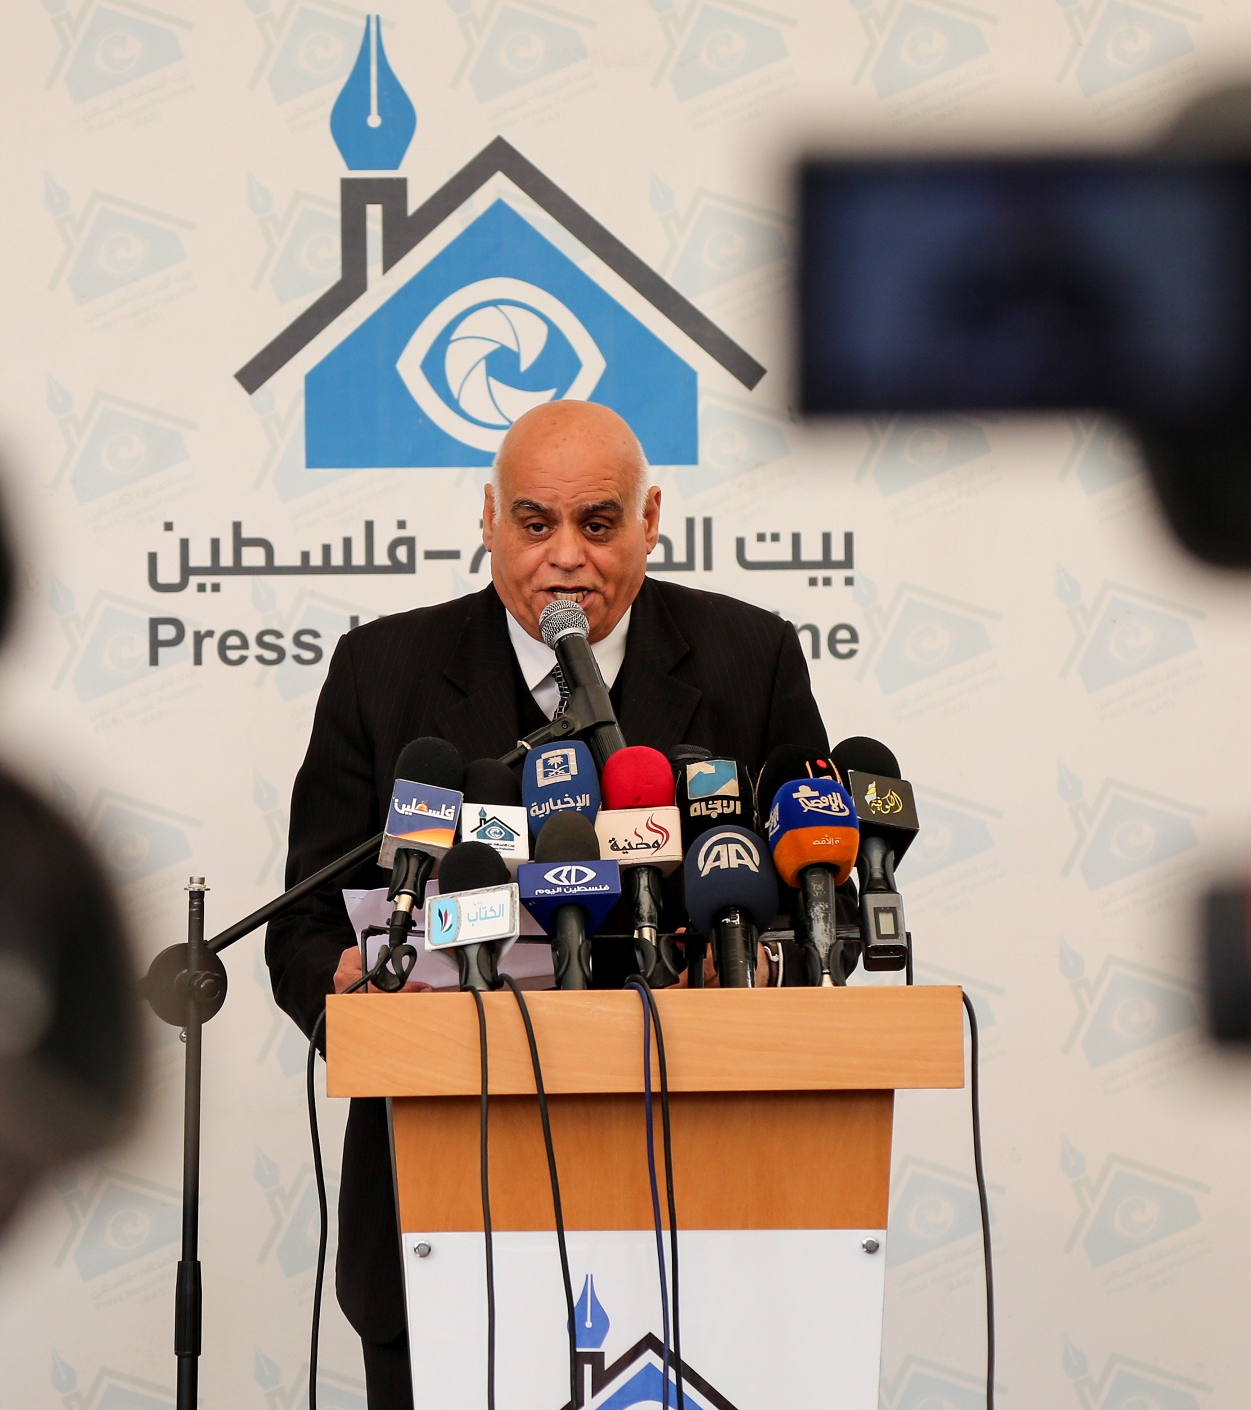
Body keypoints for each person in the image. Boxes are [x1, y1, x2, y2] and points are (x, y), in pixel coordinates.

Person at [263, 399, 829, 1408]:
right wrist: (348, 989)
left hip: (703, 1189)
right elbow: (303, 928)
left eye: (598, 523)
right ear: (489, 520)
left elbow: (811, 900)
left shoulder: (751, 659)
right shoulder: (382, 673)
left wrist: (753, 965)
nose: (565, 556)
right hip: (441, 1191)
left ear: (650, 521)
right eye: (534, 523)